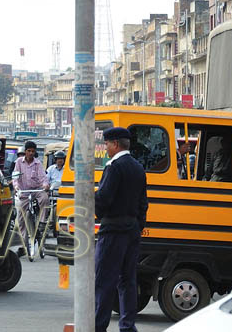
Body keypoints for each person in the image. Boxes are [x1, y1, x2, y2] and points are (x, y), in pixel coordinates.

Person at [94, 126, 148, 332]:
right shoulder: (137, 167)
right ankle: (127, 326)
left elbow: (104, 199)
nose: (106, 148)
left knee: (104, 280)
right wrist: (137, 225)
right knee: (128, 280)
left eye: (107, 144)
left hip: (113, 231)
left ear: (115, 144)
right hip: (132, 230)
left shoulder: (113, 167)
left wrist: (93, 200)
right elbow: (144, 203)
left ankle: (99, 326)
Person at [12, 140, 50, 219]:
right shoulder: (19, 162)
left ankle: (42, 222)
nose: (31, 153)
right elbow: (15, 176)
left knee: (45, 199)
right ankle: (23, 231)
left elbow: (43, 177)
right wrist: (16, 186)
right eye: (29, 151)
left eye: (33, 151)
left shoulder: (38, 163)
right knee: (20, 218)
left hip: (36, 190)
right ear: (25, 151)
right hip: (24, 192)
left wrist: (45, 185)